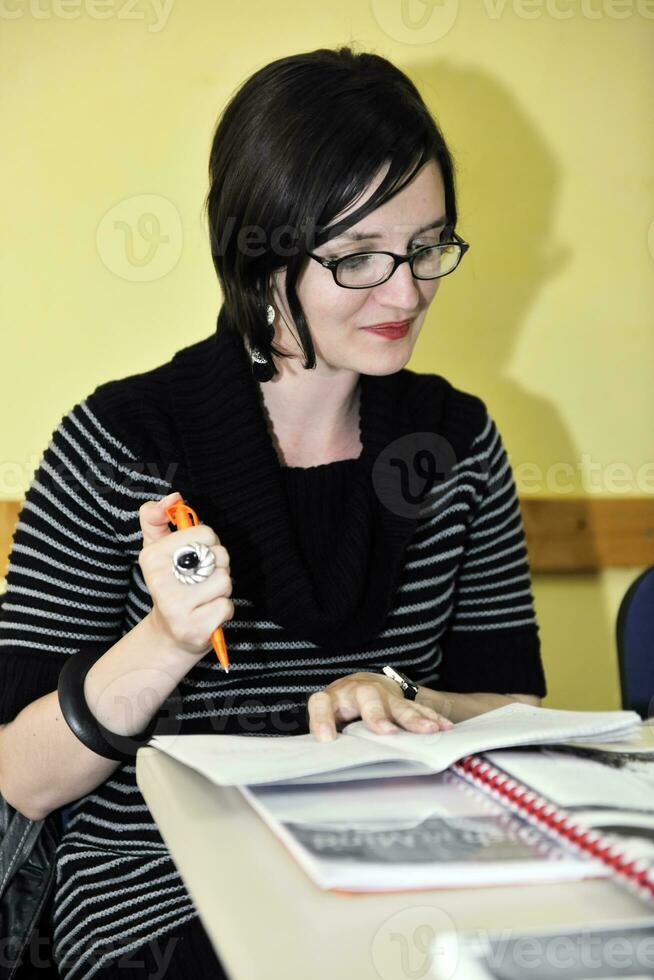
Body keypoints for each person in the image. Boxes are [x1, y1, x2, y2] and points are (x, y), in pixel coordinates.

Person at [0, 45, 546, 980]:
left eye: (427, 248)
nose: (407, 292)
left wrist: (410, 701)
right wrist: (164, 643)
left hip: (400, 869)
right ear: (260, 254)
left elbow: (514, 704)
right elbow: (21, 777)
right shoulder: (124, 439)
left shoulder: (452, 443)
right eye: (359, 257)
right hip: (163, 890)